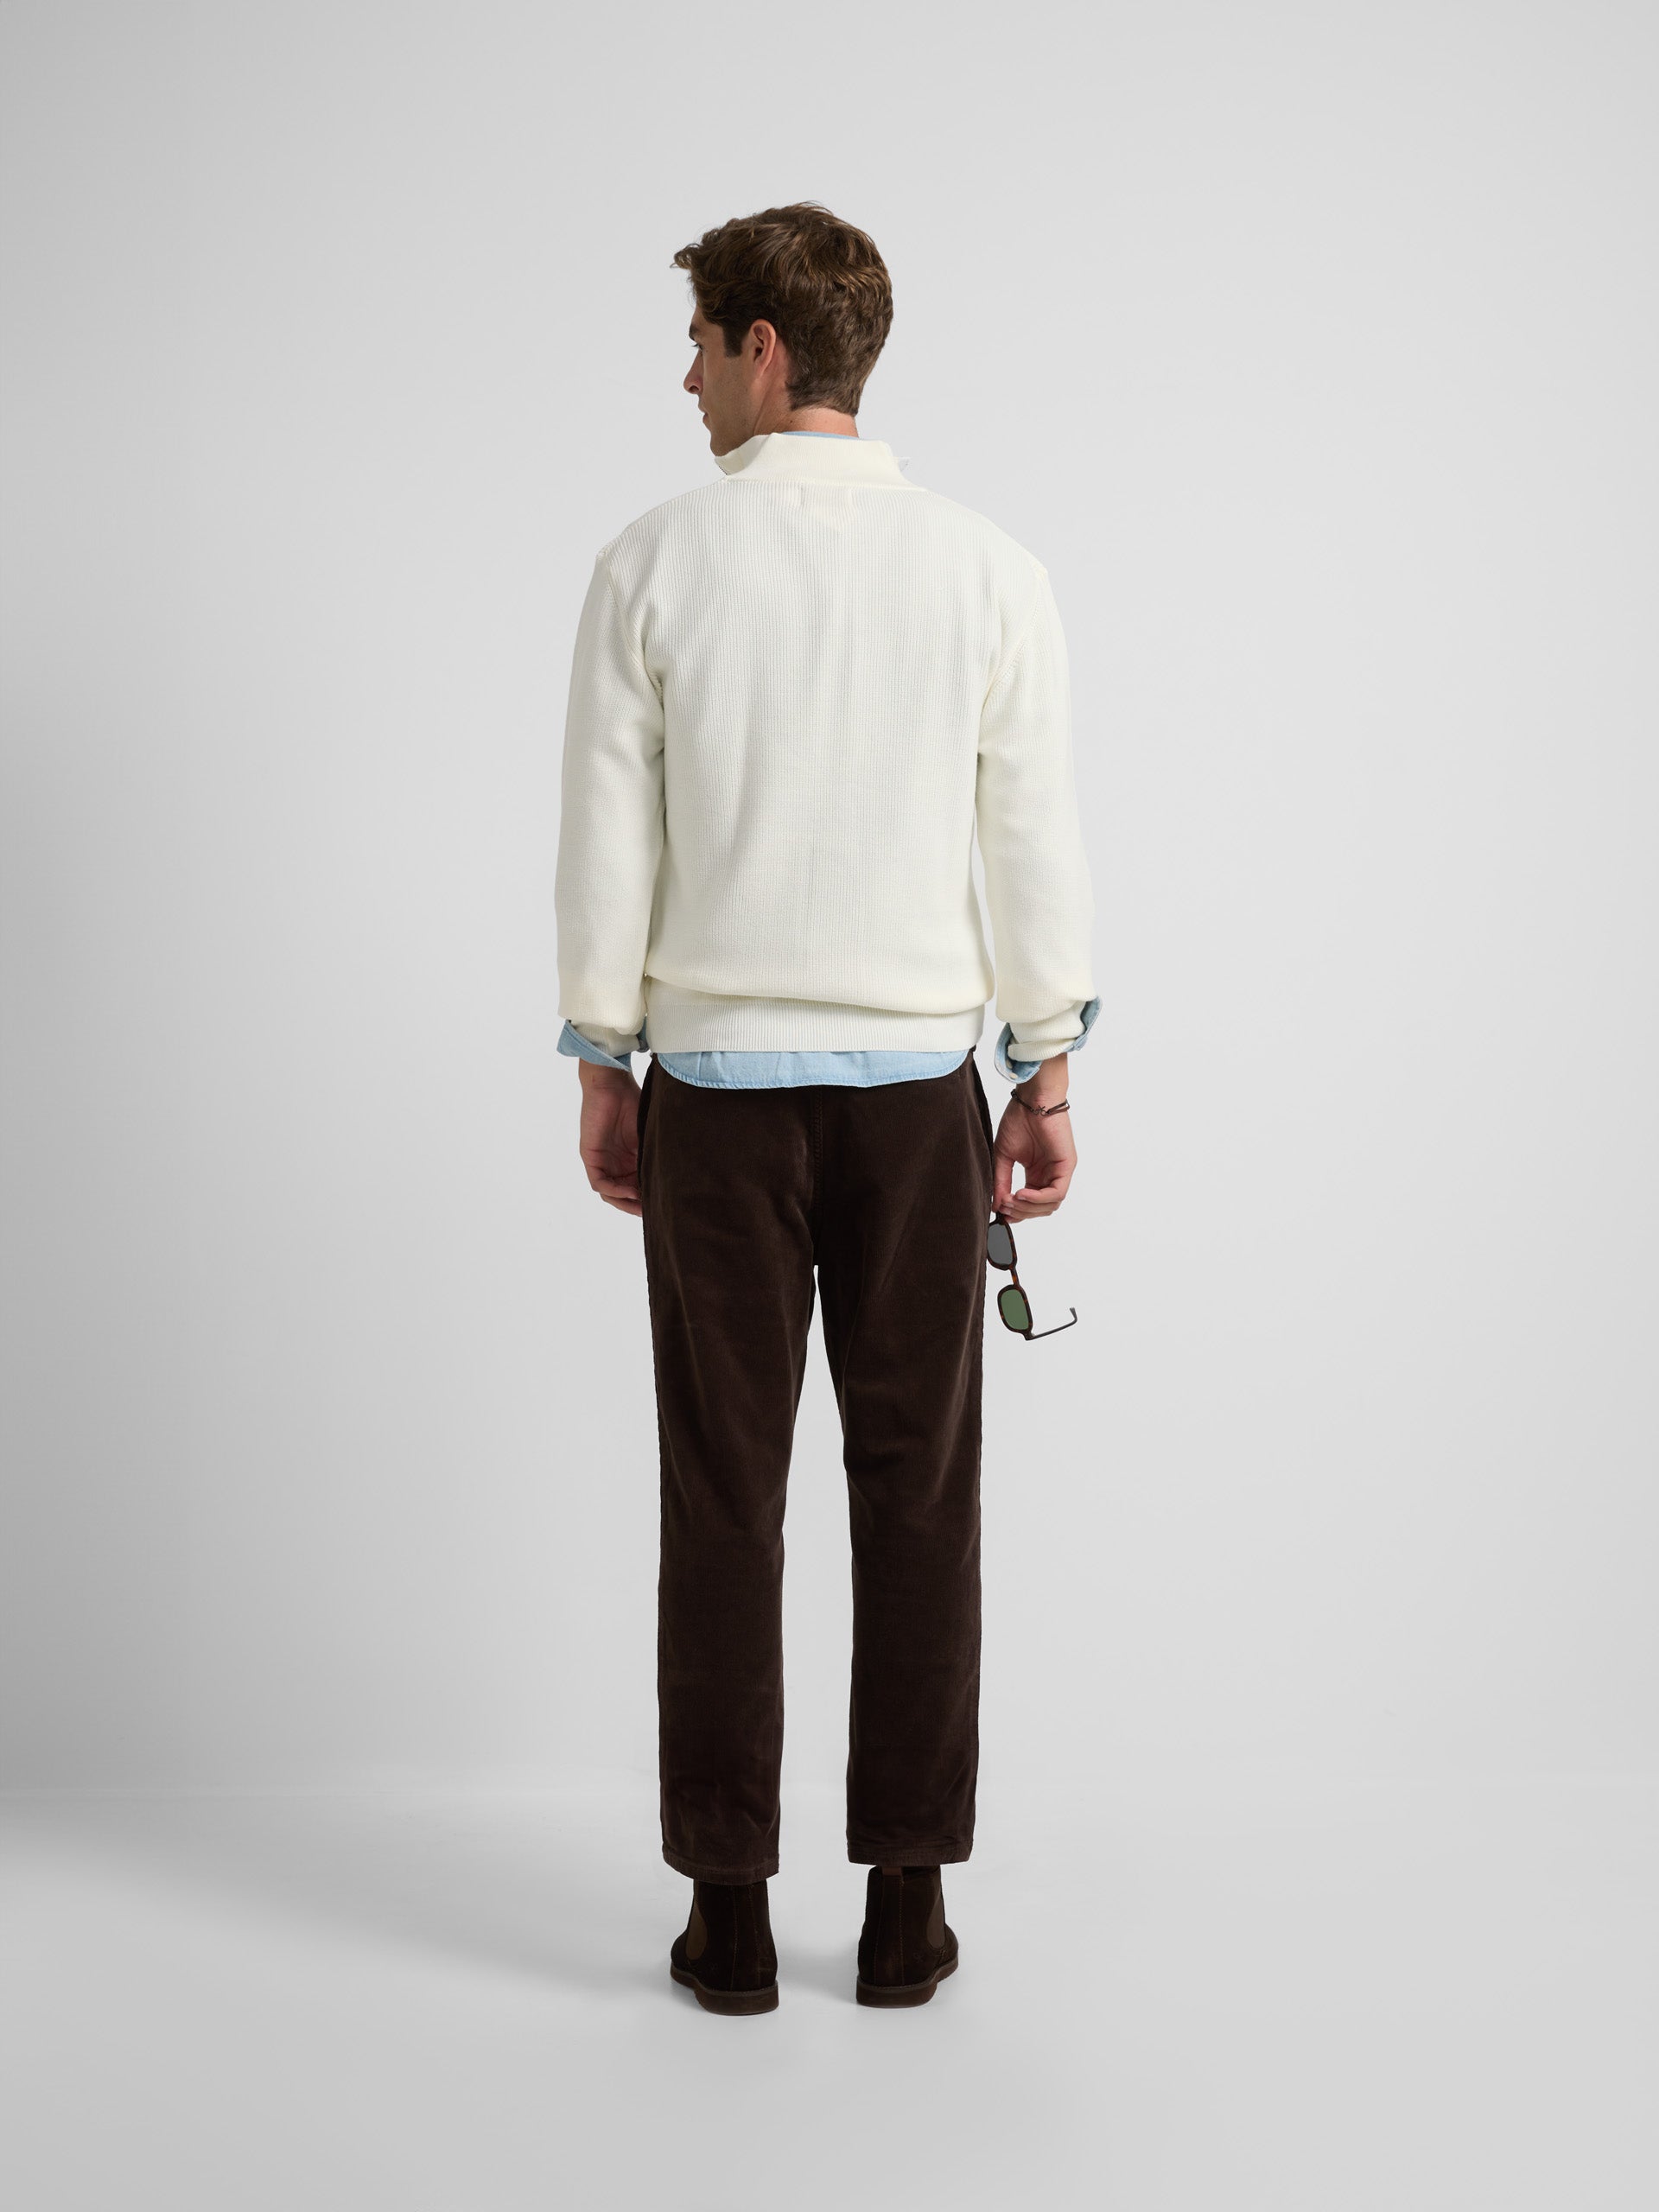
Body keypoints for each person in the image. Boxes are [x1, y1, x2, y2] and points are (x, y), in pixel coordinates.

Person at [554, 202, 1097, 2014]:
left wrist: (603, 1057)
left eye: (700, 343)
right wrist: (1046, 1066)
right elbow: (1032, 836)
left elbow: (607, 840)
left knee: (722, 1494)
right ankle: (905, 1905)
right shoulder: (989, 570)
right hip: (919, 1102)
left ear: (764, 349)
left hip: (713, 1095)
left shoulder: (651, 564)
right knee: (920, 1491)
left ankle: (727, 1912)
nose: (687, 378)